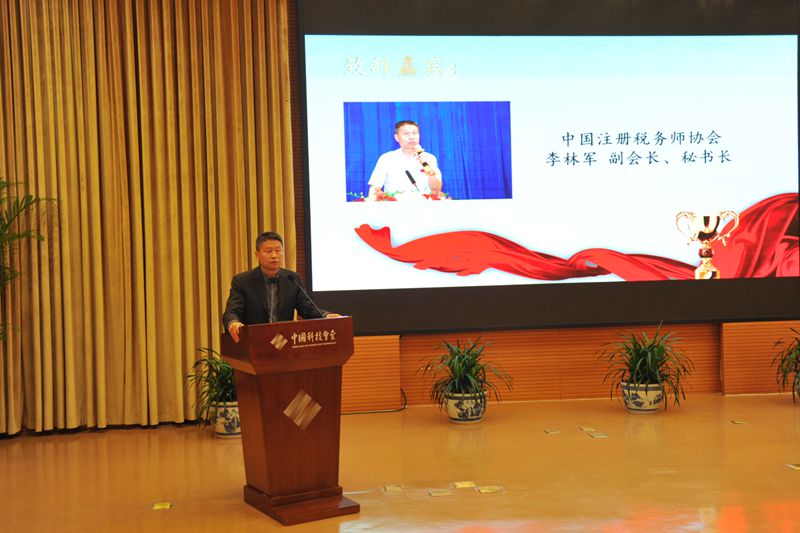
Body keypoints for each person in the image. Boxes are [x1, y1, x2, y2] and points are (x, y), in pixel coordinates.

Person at [222, 231, 339, 343]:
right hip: (255, 341)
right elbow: (232, 311)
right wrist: (233, 323)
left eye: (278, 250)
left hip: (283, 341)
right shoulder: (243, 281)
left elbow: (307, 309)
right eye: (268, 251)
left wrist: (325, 315)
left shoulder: (292, 279)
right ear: (257, 254)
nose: (274, 255)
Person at [367, 120, 442, 199]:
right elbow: (375, 187)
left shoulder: (429, 158)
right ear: (397, 137)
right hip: (394, 205)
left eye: (415, 133)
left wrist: (428, 168)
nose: (411, 137)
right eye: (406, 133)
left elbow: (436, 189)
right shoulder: (386, 159)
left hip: (424, 204)